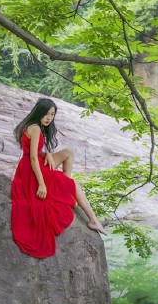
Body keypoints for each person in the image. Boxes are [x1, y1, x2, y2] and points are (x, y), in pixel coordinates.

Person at [11, 98, 107, 258]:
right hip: (31, 170)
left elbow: (32, 151)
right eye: (46, 114)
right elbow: (32, 158)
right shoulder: (35, 128)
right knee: (73, 183)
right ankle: (93, 220)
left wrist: (46, 153)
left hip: (32, 164)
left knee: (68, 152)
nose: (49, 118)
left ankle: (63, 192)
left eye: (52, 115)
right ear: (39, 112)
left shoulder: (33, 126)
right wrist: (41, 184)